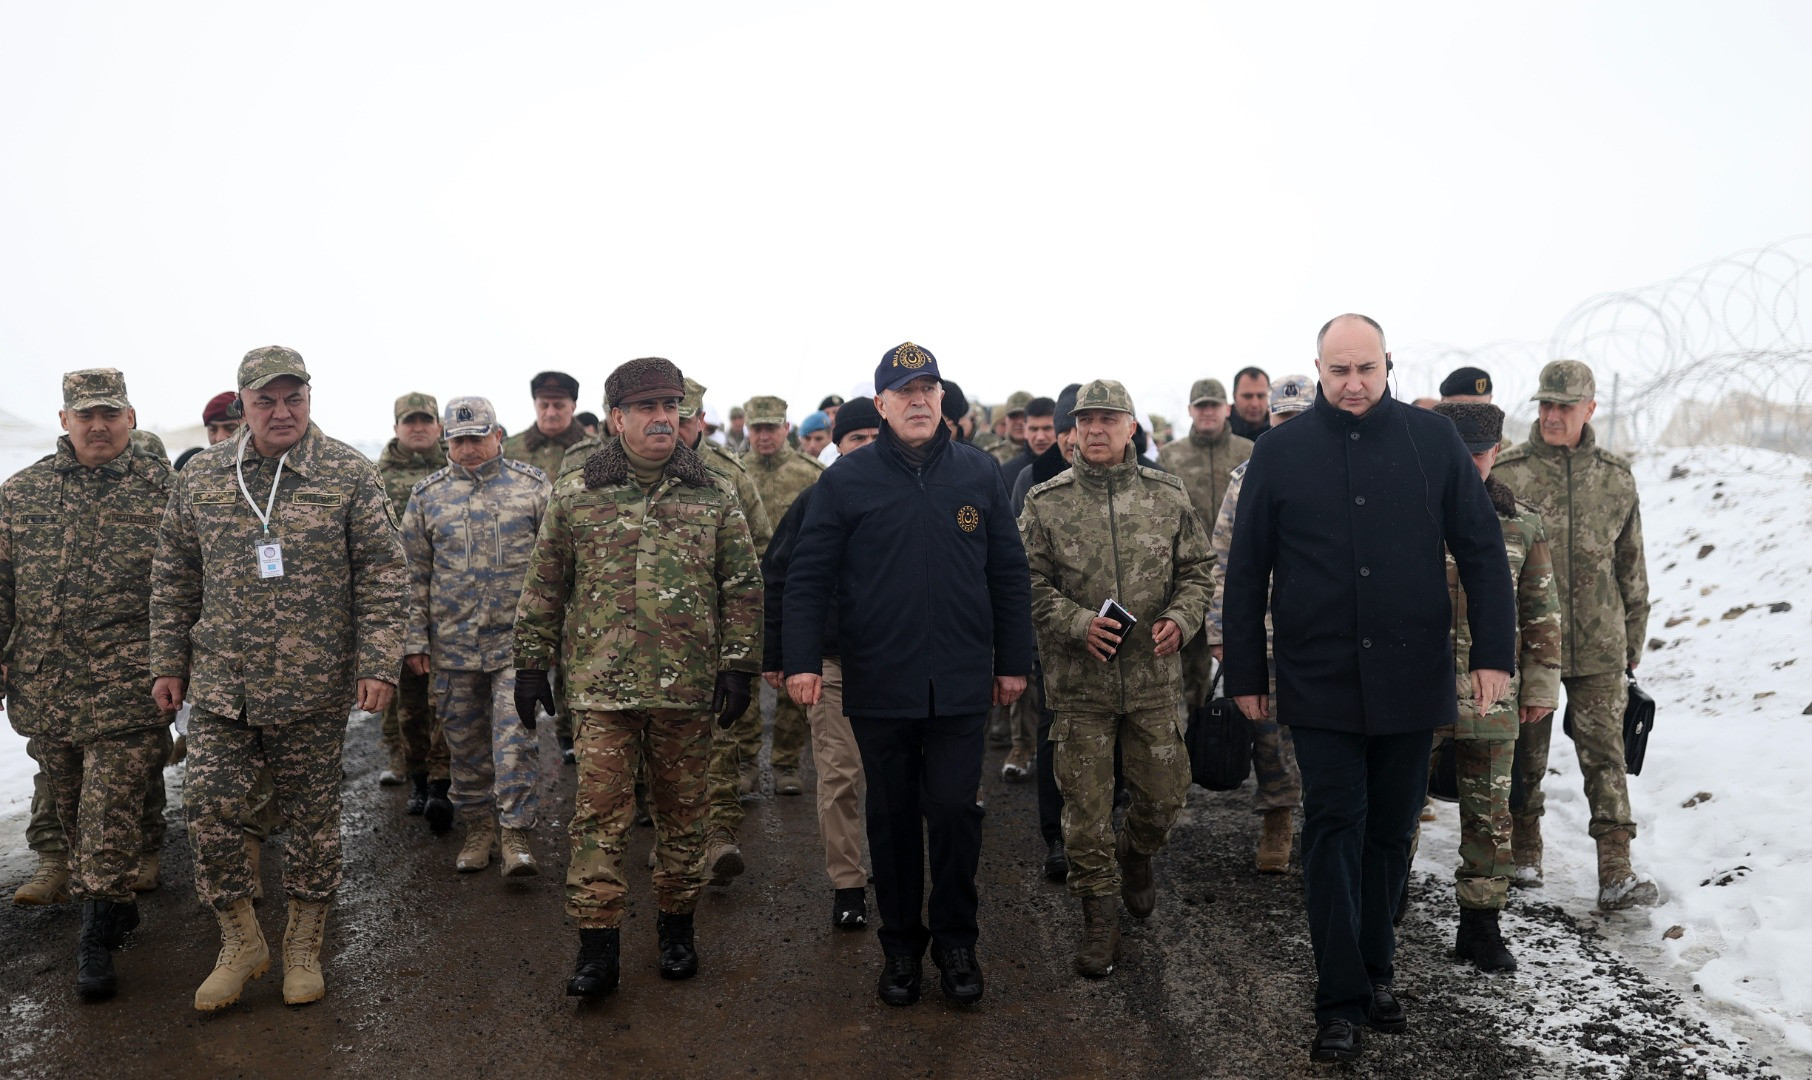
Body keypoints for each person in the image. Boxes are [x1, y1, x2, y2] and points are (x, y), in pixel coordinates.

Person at [1222, 315, 1515, 1062]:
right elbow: (1247, 567)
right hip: (1317, 678)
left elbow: (1481, 550)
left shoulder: (1432, 444)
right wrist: (1247, 675)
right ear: (1317, 369)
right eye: (1339, 369)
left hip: (1411, 673)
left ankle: (1378, 967)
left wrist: (1493, 656)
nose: (1353, 383)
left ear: (1389, 366)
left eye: (1367, 369)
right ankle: (1340, 997)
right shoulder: (1280, 453)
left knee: (1390, 830)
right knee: (1333, 826)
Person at [152, 346, 408, 1011]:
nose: (283, 411)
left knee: (314, 818)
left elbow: (383, 573)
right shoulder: (203, 477)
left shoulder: (348, 472)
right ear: (244, 406)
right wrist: (167, 663)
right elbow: (174, 576)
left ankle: (302, 944)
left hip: (313, 684)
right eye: (267, 400)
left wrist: (379, 663)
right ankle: (240, 941)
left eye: (295, 398)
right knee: (207, 806)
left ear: (310, 399)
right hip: (221, 683)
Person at [783, 342, 1033, 1008]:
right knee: (891, 818)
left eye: (930, 389)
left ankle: (956, 940)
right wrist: (802, 660)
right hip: (879, 682)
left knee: (953, 810)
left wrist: (1013, 661)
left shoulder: (977, 476)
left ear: (943, 400)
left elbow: (1008, 573)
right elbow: (807, 577)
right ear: (883, 404)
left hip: (958, 682)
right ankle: (900, 947)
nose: (919, 400)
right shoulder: (845, 481)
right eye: (905, 391)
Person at [512, 357, 761, 999]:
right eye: (647, 408)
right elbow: (545, 584)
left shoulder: (713, 493)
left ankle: (677, 930)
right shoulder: (577, 494)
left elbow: (742, 587)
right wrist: (531, 662)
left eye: (670, 407)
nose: (661, 418)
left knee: (685, 817)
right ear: (617, 418)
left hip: (688, 689)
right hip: (602, 691)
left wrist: (738, 664)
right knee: (598, 820)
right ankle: (598, 949)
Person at [1019, 379, 1213, 978]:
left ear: (1132, 427)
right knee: (1084, 812)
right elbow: (1022, 583)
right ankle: (1098, 922)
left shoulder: (1168, 496)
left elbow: (1200, 571)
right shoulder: (1046, 503)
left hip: (1153, 682)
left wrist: (1181, 619)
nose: (1097, 430)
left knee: (1163, 796)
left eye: (1109, 419)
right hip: (1080, 688)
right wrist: (1077, 623)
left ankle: (1137, 854)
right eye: (1086, 421)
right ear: (1072, 431)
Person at [0, 369, 173, 1001]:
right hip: (47, 686)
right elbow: (3, 585)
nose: (97, 426)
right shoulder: (21, 494)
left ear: (131, 416)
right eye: (85, 415)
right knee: (71, 809)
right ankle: (114, 900)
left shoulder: (167, 492)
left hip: (131, 685)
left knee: (108, 812)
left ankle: (95, 939)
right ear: (64, 420)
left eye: (109, 413)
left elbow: (193, 586)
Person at [1492, 359, 1654, 909]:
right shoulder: (1509, 475)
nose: (1553, 415)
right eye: (1545, 404)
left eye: (1564, 405)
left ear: (1590, 408)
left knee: (1605, 757)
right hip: (1529, 646)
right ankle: (1525, 853)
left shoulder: (1615, 477)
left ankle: (1616, 870)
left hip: (1600, 646)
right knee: (1523, 756)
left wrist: (1631, 644)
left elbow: (1631, 567)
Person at [1429, 402, 1561, 971]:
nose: (1472, 465)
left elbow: (1540, 613)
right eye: (1461, 455)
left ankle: (1480, 926)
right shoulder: (1406, 512)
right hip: (1417, 691)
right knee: (1398, 807)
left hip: (1490, 696)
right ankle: (1384, 908)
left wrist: (1539, 687)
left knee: (1489, 814)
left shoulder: (1522, 522)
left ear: (1496, 453)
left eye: (1481, 455)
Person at [401, 396, 551, 876]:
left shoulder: (533, 488)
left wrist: (552, 637)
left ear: (498, 435)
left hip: (517, 644)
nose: (467, 448)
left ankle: (515, 834)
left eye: (477, 437)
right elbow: (412, 575)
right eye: (458, 439)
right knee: (464, 744)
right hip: (453, 644)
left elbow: (555, 567)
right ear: (447, 441)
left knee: (516, 739)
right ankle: (478, 828)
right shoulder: (427, 497)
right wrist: (414, 640)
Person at [761, 398, 883, 929]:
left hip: (898, 663)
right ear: (837, 444)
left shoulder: (917, 499)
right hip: (833, 666)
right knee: (839, 775)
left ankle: (896, 870)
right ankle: (848, 885)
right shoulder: (815, 501)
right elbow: (781, 579)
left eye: (876, 438)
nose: (867, 449)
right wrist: (780, 656)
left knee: (900, 780)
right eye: (856, 440)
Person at [1204, 374, 1312, 873]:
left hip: (1323, 631)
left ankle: (1327, 825)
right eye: (1281, 417)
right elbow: (1222, 560)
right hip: (1265, 628)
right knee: (1266, 731)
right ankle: (1278, 816)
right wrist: (1221, 629)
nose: (1289, 427)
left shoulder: (1341, 471)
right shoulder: (1246, 478)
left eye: (1299, 417)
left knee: (1322, 730)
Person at [739, 395, 823, 796]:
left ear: (787, 428)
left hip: (793, 591)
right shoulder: (734, 474)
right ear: (747, 430)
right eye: (757, 428)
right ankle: (744, 763)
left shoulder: (811, 474)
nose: (764, 435)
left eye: (771, 427)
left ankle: (787, 763)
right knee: (742, 677)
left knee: (795, 677)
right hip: (741, 592)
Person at [374, 393, 451, 819]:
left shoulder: (453, 469)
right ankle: (409, 766)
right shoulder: (377, 476)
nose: (418, 427)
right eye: (410, 421)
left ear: (439, 426)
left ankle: (445, 775)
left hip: (449, 600)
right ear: (396, 427)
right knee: (404, 699)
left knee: (447, 698)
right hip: (396, 601)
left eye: (426, 420)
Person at [1158, 377, 1254, 711]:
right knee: (1190, 670)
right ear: (1190, 411)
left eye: (1214, 405)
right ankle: (1198, 744)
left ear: (1227, 408)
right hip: (1187, 578)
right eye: (1201, 406)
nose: (1208, 412)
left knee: (1246, 665)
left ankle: (1240, 742)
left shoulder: (1250, 451)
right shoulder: (1170, 457)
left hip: (1240, 575)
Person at [504, 371, 586, 762]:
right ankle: (524, 731)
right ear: (535, 405)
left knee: (574, 654)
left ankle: (572, 734)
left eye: (559, 405)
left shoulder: (592, 450)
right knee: (530, 653)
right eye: (545, 404)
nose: (551, 412)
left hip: (577, 569)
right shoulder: (514, 448)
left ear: (572, 406)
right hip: (525, 570)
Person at [989, 391, 1032, 465]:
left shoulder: (1047, 454)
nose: (1019, 421)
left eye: (1025, 415)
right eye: (1014, 415)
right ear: (1005, 419)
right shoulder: (991, 456)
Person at [1228, 367, 1272, 441]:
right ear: (1234, 397)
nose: (1255, 404)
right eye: (1247, 396)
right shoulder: (1218, 430)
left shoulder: (1280, 428)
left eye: (1261, 396)